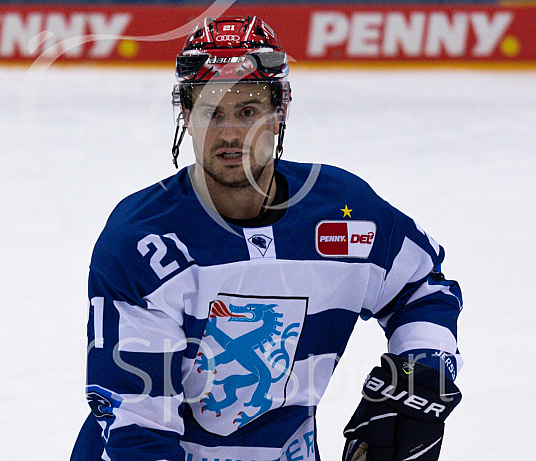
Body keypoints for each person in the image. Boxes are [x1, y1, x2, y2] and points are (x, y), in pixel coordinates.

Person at [71, 16, 463, 461]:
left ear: (281, 111)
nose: (230, 134)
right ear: (186, 115)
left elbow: (422, 289)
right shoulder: (141, 241)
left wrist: (420, 379)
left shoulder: (346, 215)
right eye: (210, 112)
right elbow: (136, 426)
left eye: (248, 111)